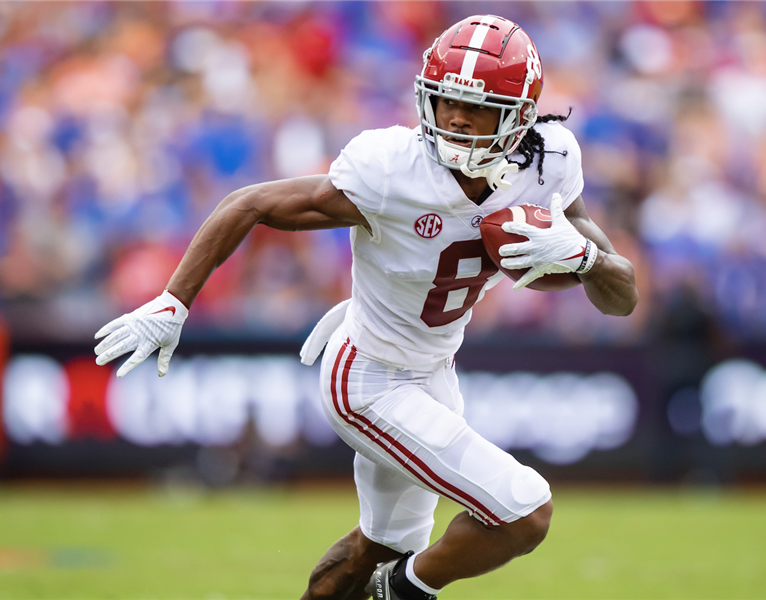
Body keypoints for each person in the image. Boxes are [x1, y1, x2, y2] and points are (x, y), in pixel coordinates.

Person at [94, 15, 637, 600]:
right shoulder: (390, 168)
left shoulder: (548, 161)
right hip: (368, 377)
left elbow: (621, 296)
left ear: (520, 117)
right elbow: (247, 204)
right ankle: (401, 592)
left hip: (433, 372)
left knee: (376, 545)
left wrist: (586, 259)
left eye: (477, 108)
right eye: (448, 99)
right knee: (524, 509)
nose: (456, 117)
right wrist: (174, 302)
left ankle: (385, 580)